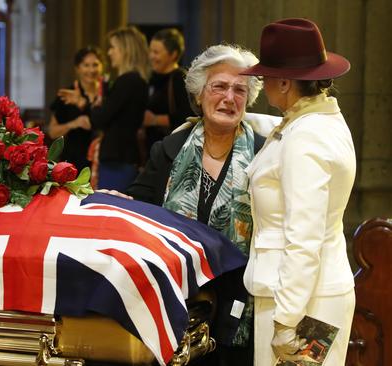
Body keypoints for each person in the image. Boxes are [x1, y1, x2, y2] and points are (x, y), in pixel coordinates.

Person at [105, 43, 263, 365]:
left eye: (239, 90)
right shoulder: (169, 149)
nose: (229, 98)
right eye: (219, 86)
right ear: (199, 93)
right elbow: (141, 203)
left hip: (239, 302)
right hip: (178, 302)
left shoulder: (265, 156)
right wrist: (121, 204)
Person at [240, 18, 356, 365]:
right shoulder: (319, 118)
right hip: (310, 292)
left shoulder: (304, 139)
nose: (262, 84)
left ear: (286, 82)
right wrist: (239, 119)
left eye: (265, 77)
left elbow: (304, 240)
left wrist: (286, 322)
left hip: (303, 303)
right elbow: (282, 131)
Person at [61, 26, 149, 191]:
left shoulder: (127, 81)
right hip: (124, 155)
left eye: (113, 47)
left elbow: (100, 118)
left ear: (125, 50)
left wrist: (85, 104)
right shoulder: (137, 80)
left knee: (110, 207)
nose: (109, 52)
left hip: (118, 158)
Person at [48, 46, 104, 171]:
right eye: (86, 65)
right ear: (78, 68)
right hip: (74, 160)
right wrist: (74, 124)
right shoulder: (67, 95)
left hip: (103, 159)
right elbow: (52, 132)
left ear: (102, 66)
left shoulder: (108, 93)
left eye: (95, 65)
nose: (91, 70)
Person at [141, 28, 194, 155]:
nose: (151, 56)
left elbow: (189, 116)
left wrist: (155, 120)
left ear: (173, 54)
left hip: (172, 152)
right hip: (154, 150)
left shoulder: (180, 78)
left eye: (156, 52)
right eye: (150, 51)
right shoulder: (151, 78)